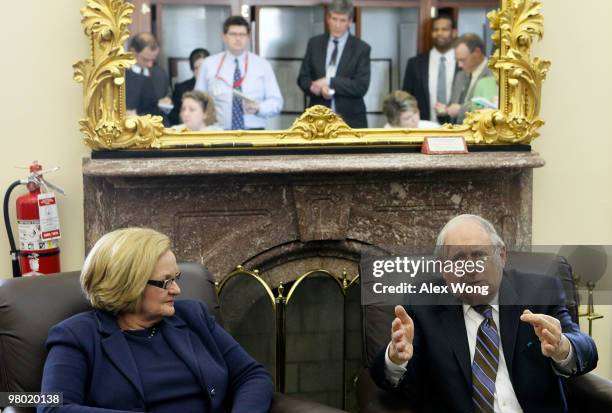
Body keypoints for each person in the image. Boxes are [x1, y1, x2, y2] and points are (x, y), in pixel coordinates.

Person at [370, 214, 598, 413]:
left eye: (480, 255)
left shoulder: (539, 291)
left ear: (502, 256)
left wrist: (563, 347)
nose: (471, 269)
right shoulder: (423, 303)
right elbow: (389, 379)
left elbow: (586, 351)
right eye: (458, 259)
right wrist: (396, 359)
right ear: (442, 268)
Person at [39, 228, 273, 413]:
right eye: (166, 282)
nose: (177, 290)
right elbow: (53, 406)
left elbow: (252, 376)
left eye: (176, 278)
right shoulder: (77, 335)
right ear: (128, 285)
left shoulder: (194, 316)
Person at [195, 16, 283, 130]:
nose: (238, 38)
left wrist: (259, 108)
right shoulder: (209, 64)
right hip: (219, 131)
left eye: (242, 35)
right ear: (224, 37)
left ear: (248, 37)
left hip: (254, 131)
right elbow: (197, 100)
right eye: (233, 34)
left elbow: (277, 102)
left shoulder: (262, 65)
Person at [297, 0, 371, 128]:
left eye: (342, 20)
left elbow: (361, 86)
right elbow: (303, 79)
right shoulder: (314, 44)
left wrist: (329, 82)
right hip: (317, 120)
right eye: (334, 19)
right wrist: (316, 88)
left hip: (351, 121)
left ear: (349, 21)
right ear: (328, 18)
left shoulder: (361, 48)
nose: (337, 25)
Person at [401, 14, 457, 124]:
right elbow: (406, 99)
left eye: (444, 29)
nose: (439, 33)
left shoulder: (463, 63)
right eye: (435, 30)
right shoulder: (415, 64)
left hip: (459, 129)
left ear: (454, 32)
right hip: (424, 128)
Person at [440, 33, 495, 123]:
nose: (459, 65)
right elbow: (454, 105)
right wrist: (445, 109)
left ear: (477, 52)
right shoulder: (460, 76)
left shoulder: (493, 74)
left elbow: (490, 108)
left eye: (463, 60)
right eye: (457, 60)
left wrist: (460, 110)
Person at [129, 32, 172, 108]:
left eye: (153, 59)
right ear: (133, 52)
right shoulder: (119, 75)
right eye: (146, 59)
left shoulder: (160, 74)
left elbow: (167, 96)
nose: (150, 64)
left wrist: (167, 101)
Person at [169, 48, 210, 125]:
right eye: (197, 68)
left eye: (204, 68)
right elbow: (174, 117)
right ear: (192, 69)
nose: (201, 72)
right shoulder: (181, 88)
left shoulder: (217, 85)